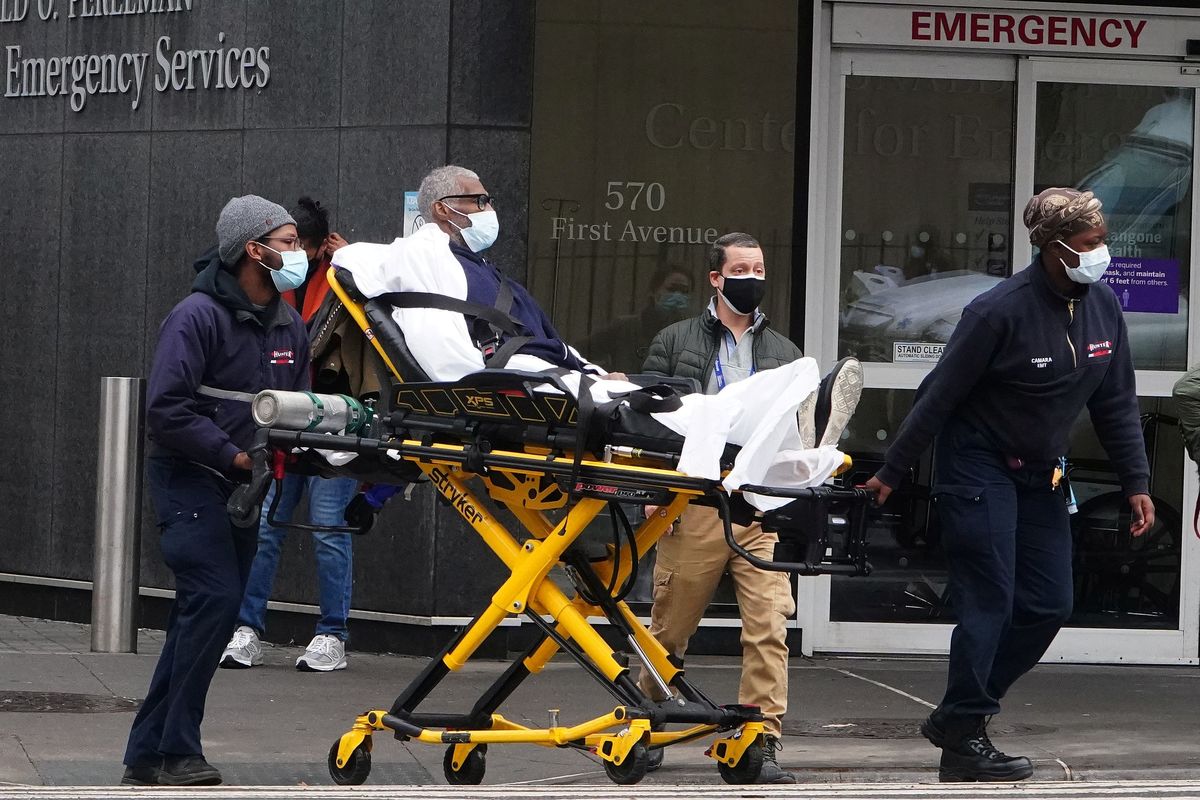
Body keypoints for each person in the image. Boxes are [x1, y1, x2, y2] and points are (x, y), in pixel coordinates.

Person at [864, 188, 1154, 783]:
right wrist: (892, 470)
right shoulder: (997, 312)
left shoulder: (1103, 308)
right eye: (1093, 242)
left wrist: (1136, 481)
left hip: (1042, 472)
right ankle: (965, 739)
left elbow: (1117, 404)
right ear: (1056, 248)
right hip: (978, 467)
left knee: (1050, 603)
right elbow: (937, 396)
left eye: (1104, 240)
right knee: (990, 600)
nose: (1103, 252)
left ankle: (957, 716)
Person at [634, 232, 863, 783]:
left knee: (768, 625)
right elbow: (653, 417)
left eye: (759, 269)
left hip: (759, 502)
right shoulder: (675, 340)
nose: (752, 278)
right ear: (716, 278)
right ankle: (646, 721)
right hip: (696, 498)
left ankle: (759, 739)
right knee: (670, 629)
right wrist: (655, 490)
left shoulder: (784, 353)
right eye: (741, 270)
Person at [122, 196, 311, 786]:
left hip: (247, 485)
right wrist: (233, 455)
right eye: (287, 243)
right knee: (215, 600)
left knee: (202, 613)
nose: (298, 253)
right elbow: (166, 410)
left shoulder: (289, 324)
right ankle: (178, 749)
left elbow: (298, 408)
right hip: (189, 478)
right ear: (253, 250)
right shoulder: (195, 316)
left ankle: (146, 754)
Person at [220, 197, 375, 673]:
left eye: (300, 245)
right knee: (266, 525)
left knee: (328, 528)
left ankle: (332, 634)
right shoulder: (269, 284)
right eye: (288, 243)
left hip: (335, 418)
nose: (294, 254)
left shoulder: (349, 276)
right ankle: (247, 628)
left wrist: (358, 265)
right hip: (283, 419)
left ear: (320, 245)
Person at [581, 264, 695, 373]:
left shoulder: (691, 335)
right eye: (671, 289)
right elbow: (580, 352)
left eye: (684, 291)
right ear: (654, 291)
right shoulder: (624, 328)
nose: (678, 296)